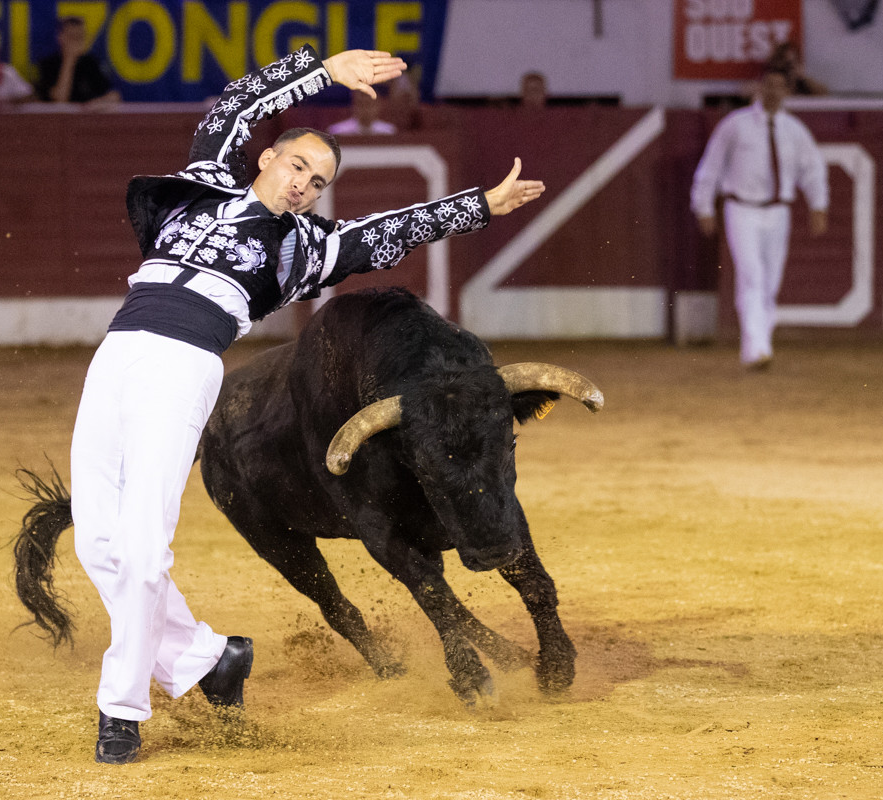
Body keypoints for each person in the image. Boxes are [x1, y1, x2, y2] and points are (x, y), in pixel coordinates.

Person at [72, 45, 545, 765]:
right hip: (116, 355)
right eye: (298, 167)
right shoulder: (204, 186)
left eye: (319, 183)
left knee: (142, 550)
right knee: (97, 543)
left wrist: (481, 204)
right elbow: (233, 108)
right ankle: (209, 657)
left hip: (185, 364)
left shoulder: (306, 249)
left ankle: (122, 710)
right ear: (266, 160)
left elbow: (393, 229)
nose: (306, 186)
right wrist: (323, 71)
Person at [690, 65, 829, 370]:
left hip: (779, 211)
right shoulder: (735, 125)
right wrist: (704, 206)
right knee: (752, 276)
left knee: (770, 283)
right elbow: (710, 167)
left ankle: (757, 345)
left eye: (780, 86)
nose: (773, 91)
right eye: (768, 85)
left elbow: (812, 169)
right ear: (758, 88)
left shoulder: (794, 130)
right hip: (742, 209)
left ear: (787, 92)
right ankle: (758, 348)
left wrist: (818, 205)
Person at [34, 16, 120, 107]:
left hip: (86, 118)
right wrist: (69, 60)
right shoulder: (48, 65)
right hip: (57, 119)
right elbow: (59, 99)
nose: (76, 42)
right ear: (60, 37)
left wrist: (97, 104)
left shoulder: (90, 63)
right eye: (72, 37)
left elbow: (114, 95)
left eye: (80, 37)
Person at [328, 89, 396, 135]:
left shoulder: (388, 131)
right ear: (353, 106)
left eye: (368, 104)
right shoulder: (338, 132)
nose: (365, 109)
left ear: (377, 107)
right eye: (360, 104)